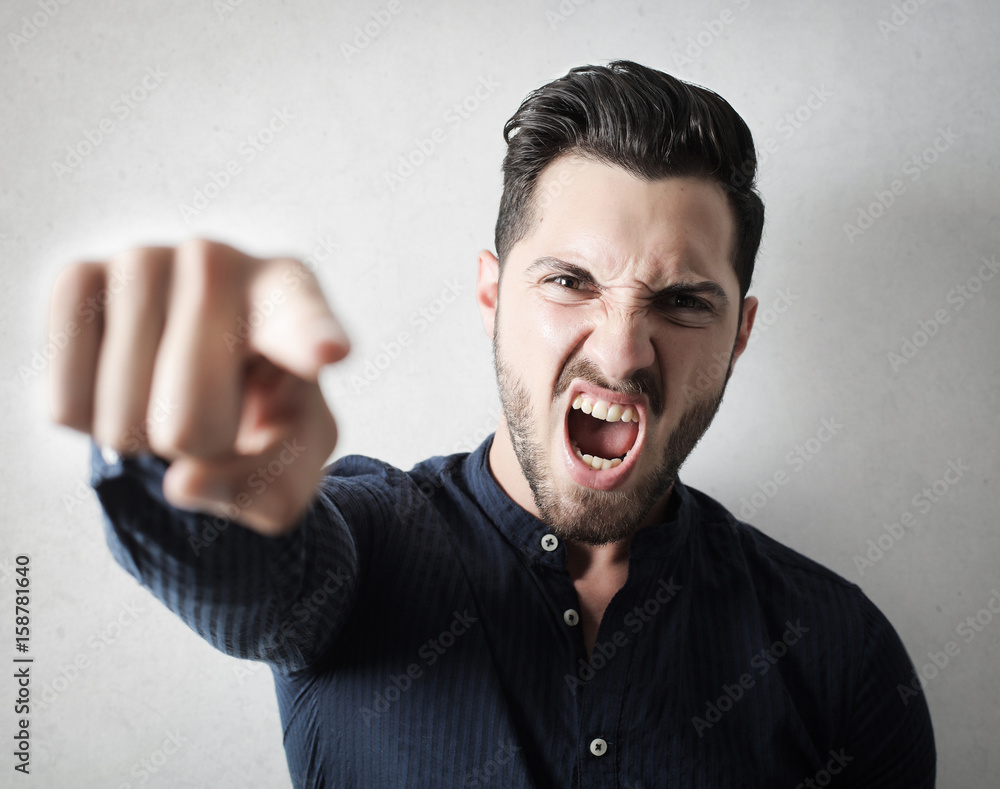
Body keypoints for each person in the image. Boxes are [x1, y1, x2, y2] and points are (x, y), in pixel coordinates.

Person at [50, 61, 935, 787]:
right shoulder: (366, 547)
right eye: (569, 281)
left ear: (738, 334)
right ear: (491, 295)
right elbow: (255, 569)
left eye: (681, 301)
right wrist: (180, 442)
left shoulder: (840, 653)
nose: (623, 353)